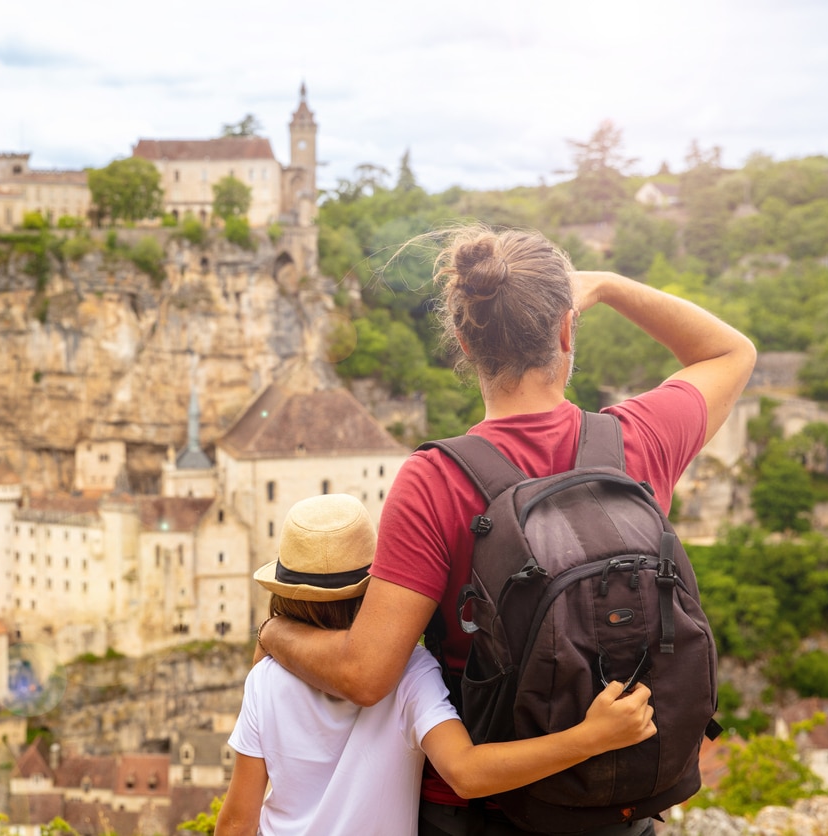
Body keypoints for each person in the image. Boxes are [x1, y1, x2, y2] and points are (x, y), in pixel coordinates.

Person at [253, 225, 757, 835]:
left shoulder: (434, 479)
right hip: (615, 807)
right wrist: (609, 286)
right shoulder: (635, 442)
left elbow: (366, 673)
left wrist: (275, 632)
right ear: (568, 330)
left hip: (480, 812)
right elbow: (732, 353)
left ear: (463, 342)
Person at [215, 493, 658, 836]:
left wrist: (269, 636)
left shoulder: (266, 678)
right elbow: (466, 773)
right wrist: (591, 736)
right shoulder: (407, 672)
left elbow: (237, 822)